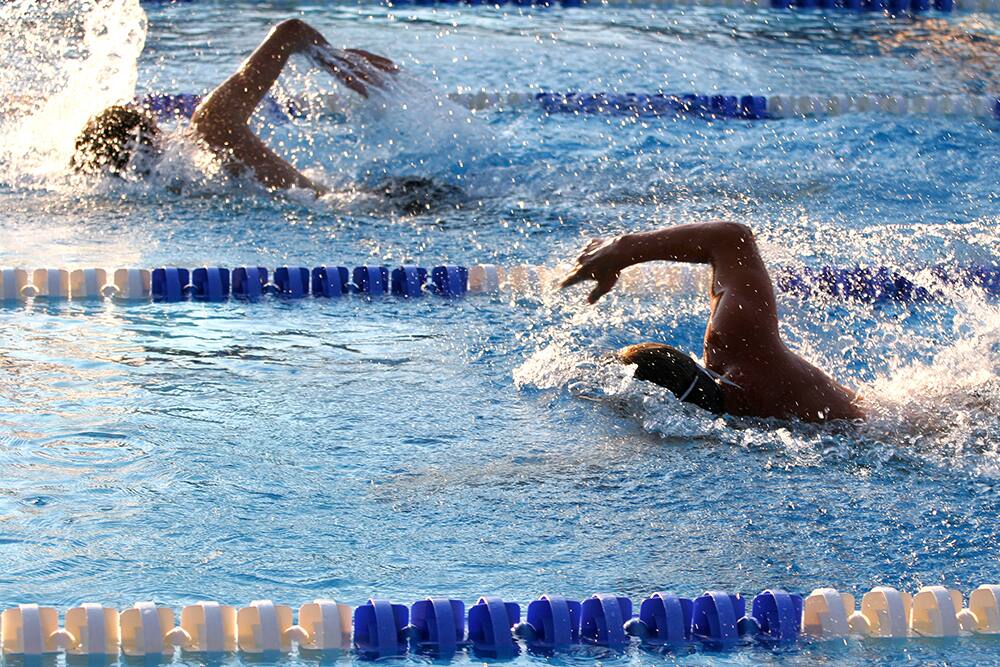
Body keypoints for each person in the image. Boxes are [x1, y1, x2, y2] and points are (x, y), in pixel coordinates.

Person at [560, 221, 865, 423]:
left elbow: (735, 237)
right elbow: (730, 241)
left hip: (889, 428)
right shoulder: (737, 355)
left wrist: (625, 245)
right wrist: (625, 251)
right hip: (877, 429)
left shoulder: (741, 355)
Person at [71, 19, 396, 195]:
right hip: (387, 205)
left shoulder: (184, 188)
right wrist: (333, 60)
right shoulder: (211, 127)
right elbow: (289, 31)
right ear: (153, 134)